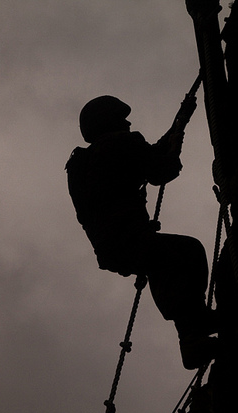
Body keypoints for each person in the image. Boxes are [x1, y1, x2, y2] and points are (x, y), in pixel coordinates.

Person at [66, 95, 217, 369]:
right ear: (109, 122)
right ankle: (192, 332)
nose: (128, 123)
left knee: (161, 264)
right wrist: (177, 138)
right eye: (122, 119)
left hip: (110, 249)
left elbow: (142, 158)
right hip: (130, 239)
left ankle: (192, 332)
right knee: (188, 252)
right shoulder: (120, 144)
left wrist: (177, 125)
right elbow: (161, 170)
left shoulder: (83, 161)